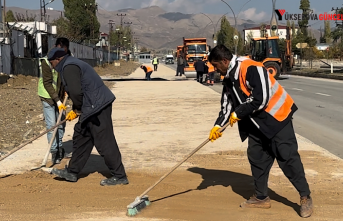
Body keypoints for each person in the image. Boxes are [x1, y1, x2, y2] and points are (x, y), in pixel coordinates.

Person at [207, 45, 313, 218]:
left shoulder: (251, 68)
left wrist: (238, 113)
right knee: (257, 158)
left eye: (216, 65)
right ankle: (261, 197)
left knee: (288, 158)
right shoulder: (227, 78)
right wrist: (218, 126)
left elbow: (261, 99)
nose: (215, 69)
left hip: (277, 119)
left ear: (224, 61)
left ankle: (305, 196)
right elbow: (227, 105)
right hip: (256, 125)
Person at [47, 48, 128, 186]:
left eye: (51, 62)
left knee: (104, 141)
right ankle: (72, 172)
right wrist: (77, 109)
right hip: (91, 105)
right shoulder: (71, 63)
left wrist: (77, 109)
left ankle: (120, 176)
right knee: (81, 136)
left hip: (97, 107)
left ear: (58, 59)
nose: (51, 66)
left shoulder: (68, 67)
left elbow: (76, 91)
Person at [38, 47, 67, 164]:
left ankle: (59, 148)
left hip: (59, 96)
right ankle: (54, 152)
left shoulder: (62, 61)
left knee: (60, 124)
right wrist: (57, 101)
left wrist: (65, 90)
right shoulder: (46, 63)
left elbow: (63, 79)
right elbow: (47, 83)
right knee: (51, 125)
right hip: (47, 97)